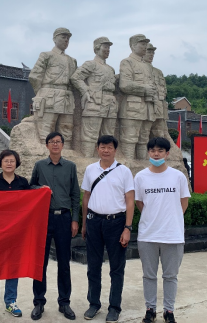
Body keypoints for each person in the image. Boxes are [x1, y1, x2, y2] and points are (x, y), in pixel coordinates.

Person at [134, 137, 190, 323]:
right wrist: (153, 218)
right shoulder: (140, 177)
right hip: (148, 235)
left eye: (160, 151)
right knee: (149, 275)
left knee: (170, 276)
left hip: (172, 235)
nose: (156, 154)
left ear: (167, 153)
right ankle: (150, 309)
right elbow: (140, 203)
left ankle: (169, 311)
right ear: (148, 153)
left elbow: (183, 203)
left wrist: (171, 219)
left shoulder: (178, 177)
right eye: (153, 151)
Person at [81, 135, 135, 323]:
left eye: (109, 147)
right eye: (102, 147)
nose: (106, 150)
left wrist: (127, 228)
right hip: (94, 222)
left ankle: (114, 307)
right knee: (93, 266)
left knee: (116, 267)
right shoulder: (90, 169)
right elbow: (86, 197)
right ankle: (94, 303)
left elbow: (130, 201)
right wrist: (84, 224)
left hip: (116, 223)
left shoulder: (124, 171)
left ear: (115, 150)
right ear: (97, 148)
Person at [29, 132, 81, 321]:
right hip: (43, 218)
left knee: (64, 262)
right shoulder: (39, 165)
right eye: (52, 142)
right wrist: (39, 188)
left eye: (58, 142)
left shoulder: (70, 167)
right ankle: (39, 302)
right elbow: (30, 187)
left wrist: (75, 219)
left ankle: (64, 302)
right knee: (40, 262)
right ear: (47, 145)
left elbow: (75, 195)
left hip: (64, 218)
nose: (55, 145)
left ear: (63, 145)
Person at [0, 149, 31, 321]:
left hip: (16, 233)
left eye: (12, 160)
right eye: (6, 161)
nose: (9, 163)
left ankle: (11, 301)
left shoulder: (23, 182)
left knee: (13, 267)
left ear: (16, 163)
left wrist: (42, 191)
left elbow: (30, 203)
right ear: (1, 163)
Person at [70, 37, 119, 157]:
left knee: (109, 134)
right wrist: (85, 90)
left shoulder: (110, 69)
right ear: (97, 48)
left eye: (109, 48)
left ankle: (106, 160)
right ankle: (87, 158)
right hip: (95, 102)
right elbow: (76, 77)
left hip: (110, 104)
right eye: (105, 47)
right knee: (90, 134)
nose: (108, 50)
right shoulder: (90, 64)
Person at [29, 27, 78, 144]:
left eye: (68, 38)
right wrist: (41, 93)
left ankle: (66, 153)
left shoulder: (72, 60)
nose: (66, 40)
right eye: (63, 37)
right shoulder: (46, 55)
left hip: (67, 98)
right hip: (49, 97)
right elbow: (34, 76)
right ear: (54, 39)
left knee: (67, 129)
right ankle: (44, 153)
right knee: (46, 130)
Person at [118, 34, 156, 160]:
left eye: (146, 44)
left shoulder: (147, 66)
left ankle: (142, 164)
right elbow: (124, 84)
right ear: (133, 46)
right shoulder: (127, 62)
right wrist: (144, 88)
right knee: (129, 138)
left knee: (144, 139)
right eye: (142, 44)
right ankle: (128, 164)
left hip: (147, 108)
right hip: (132, 108)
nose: (145, 47)